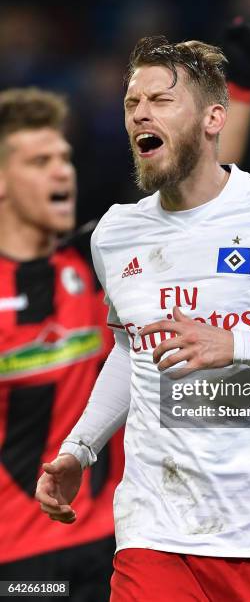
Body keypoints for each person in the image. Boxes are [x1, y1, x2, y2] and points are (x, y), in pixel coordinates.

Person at [35, 36, 250, 601]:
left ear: (214, 117)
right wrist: (80, 448)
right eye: (131, 103)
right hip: (154, 534)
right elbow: (131, 352)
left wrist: (241, 345)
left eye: (161, 100)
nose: (140, 113)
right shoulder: (116, 233)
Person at [0, 88, 123, 601]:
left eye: (65, 158)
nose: (61, 172)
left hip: (115, 544)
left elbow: (206, 198)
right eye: (40, 161)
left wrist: (241, 90)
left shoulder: (98, 265)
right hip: (21, 568)